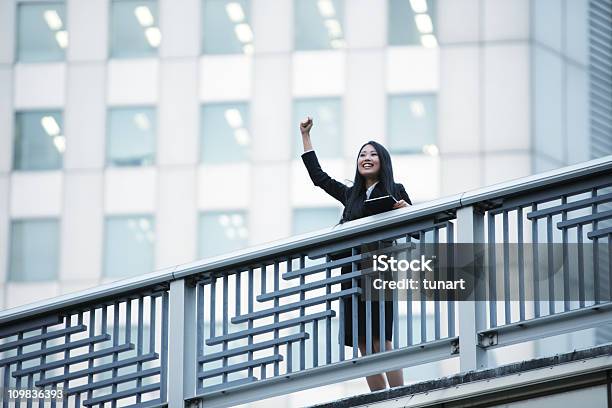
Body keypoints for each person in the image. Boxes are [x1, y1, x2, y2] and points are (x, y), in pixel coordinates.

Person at [299, 116, 411, 391]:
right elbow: (319, 178)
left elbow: (416, 226)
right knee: (361, 340)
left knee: (379, 337)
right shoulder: (351, 196)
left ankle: (402, 395)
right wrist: (305, 135)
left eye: (373, 154)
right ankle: (380, 398)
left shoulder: (394, 190)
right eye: (363, 154)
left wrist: (405, 210)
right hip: (350, 271)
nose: (367, 158)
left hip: (378, 270)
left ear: (383, 162)